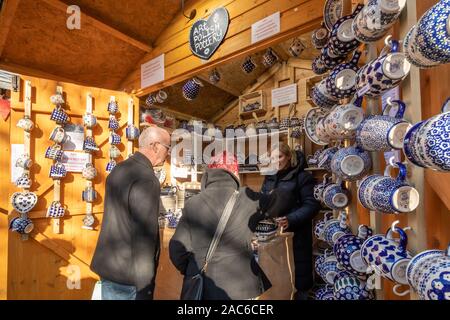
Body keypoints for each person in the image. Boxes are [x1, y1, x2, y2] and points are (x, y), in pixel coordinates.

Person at [169, 152, 288, 300]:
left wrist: (193, 269)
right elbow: (282, 200)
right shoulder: (246, 198)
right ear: (235, 174)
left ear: (208, 174)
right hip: (240, 288)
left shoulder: (193, 203)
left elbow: (176, 250)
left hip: (203, 288)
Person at [91, 126, 171, 300]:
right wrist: (145, 288)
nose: (168, 153)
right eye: (168, 147)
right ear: (156, 146)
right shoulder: (147, 179)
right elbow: (144, 237)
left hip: (108, 267)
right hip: (128, 277)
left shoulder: (119, 169)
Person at [261, 143, 320, 300]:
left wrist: (290, 219)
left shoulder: (302, 177)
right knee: (278, 280)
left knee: (298, 282)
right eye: (272, 157)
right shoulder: (269, 177)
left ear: (288, 157)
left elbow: (312, 205)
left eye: (279, 156)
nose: (276, 161)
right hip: (273, 237)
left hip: (297, 236)